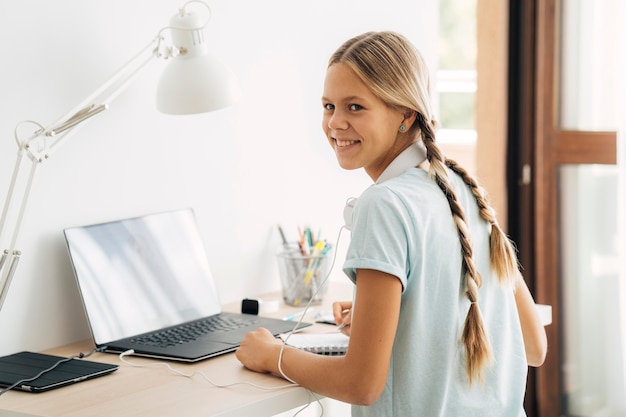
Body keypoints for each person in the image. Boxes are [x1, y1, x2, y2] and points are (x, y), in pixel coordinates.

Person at [235, 31, 547, 416]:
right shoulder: (464, 189)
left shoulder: (384, 204)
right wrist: (401, 323)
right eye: (328, 106)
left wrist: (272, 355)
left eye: (355, 107)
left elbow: (361, 384)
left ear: (405, 113)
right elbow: (533, 346)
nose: (335, 123)